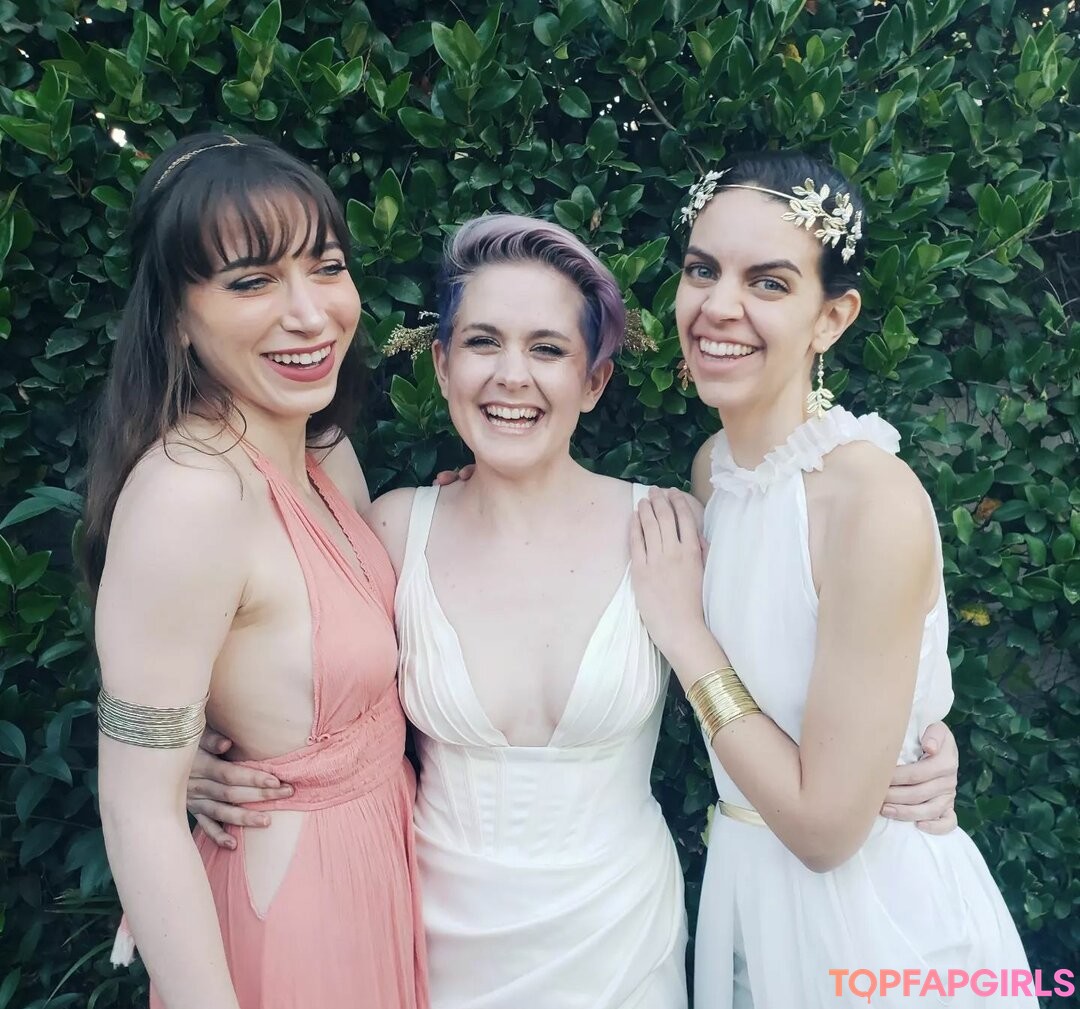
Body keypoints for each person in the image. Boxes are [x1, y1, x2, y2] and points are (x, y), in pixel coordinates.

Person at [185, 213, 960, 1007]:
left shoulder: (672, 524)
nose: (511, 376)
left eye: (548, 349)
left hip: (622, 946)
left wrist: (916, 742)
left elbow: (790, 652)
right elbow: (298, 669)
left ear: (593, 381)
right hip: (430, 941)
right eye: (482, 342)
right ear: (443, 366)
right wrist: (194, 757)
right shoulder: (392, 528)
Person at [630, 151, 1034, 1007]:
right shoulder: (714, 470)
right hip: (752, 893)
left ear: (832, 317)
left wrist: (684, 634)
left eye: (769, 282)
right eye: (702, 269)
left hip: (876, 922)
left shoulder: (869, 500)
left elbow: (825, 829)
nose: (719, 305)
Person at [87, 133, 427, 1009]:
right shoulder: (188, 497)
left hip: (379, 877)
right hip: (291, 916)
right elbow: (137, 809)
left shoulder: (323, 453)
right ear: (174, 315)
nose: (310, 314)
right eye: (252, 282)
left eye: (326, 267)